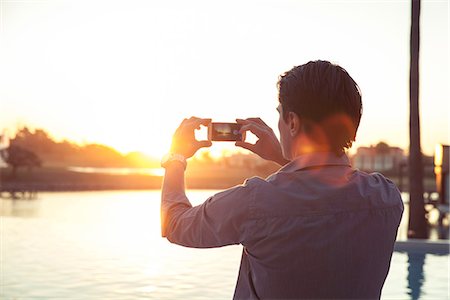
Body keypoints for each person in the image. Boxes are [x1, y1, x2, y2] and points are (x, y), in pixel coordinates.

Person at [160, 60, 404, 299]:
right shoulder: (387, 198)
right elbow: (322, 196)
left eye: (280, 115)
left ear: (293, 122)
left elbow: (174, 224)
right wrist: (282, 157)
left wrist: (176, 156)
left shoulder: (255, 202)